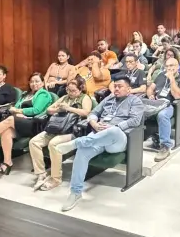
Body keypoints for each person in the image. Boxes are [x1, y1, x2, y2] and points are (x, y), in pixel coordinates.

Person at [57, 76, 144, 212]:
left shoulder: (135, 101)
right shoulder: (109, 98)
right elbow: (93, 113)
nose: (116, 89)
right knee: (82, 152)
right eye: (115, 86)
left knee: (113, 131)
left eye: (120, 86)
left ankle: (78, 142)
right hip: (99, 135)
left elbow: (135, 120)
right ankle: (75, 192)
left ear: (128, 89)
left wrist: (114, 127)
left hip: (117, 139)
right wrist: (93, 123)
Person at [29, 80, 93, 192]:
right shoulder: (64, 97)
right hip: (56, 127)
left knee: (53, 144)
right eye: (69, 90)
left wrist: (69, 108)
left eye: (74, 91)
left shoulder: (85, 98)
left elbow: (87, 113)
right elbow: (49, 110)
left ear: (80, 89)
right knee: (34, 142)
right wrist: (59, 109)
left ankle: (56, 178)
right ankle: (41, 173)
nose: (70, 93)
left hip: (73, 131)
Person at [0, 72, 54, 175]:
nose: (34, 84)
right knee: (7, 132)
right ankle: (7, 163)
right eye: (32, 81)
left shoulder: (44, 94)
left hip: (35, 123)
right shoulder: (25, 94)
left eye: (37, 81)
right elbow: (15, 107)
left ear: (42, 83)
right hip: (21, 121)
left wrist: (20, 112)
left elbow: (36, 110)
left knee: (10, 119)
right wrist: (17, 112)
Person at [147, 57, 180, 161]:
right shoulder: (161, 75)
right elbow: (150, 88)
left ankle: (165, 146)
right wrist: (150, 95)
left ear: (178, 66)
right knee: (137, 109)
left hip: (169, 105)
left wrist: (172, 79)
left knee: (162, 115)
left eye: (172, 65)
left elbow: (177, 96)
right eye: (167, 66)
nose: (169, 68)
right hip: (156, 102)